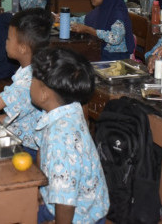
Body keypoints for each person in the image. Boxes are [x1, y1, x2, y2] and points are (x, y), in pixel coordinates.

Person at [30, 47, 109, 224]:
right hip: (80, 205)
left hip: (78, 217)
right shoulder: (70, 108)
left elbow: (65, 201)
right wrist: (41, 190)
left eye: (32, 80)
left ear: (44, 94)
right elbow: (43, 152)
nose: (30, 83)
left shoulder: (61, 139)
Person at [0, 8, 52, 157]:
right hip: (22, 133)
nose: (5, 42)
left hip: (28, 148)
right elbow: (17, 115)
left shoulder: (30, 79)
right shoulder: (34, 68)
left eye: (8, 39)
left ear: (22, 48)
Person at [70, 0, 135, 61]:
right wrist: (64, 19)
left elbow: (116, 38)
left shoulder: (118, 14)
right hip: (101, 55)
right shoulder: (100, 10)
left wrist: (89, 30)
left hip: (117, 61)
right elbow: (82, 20)